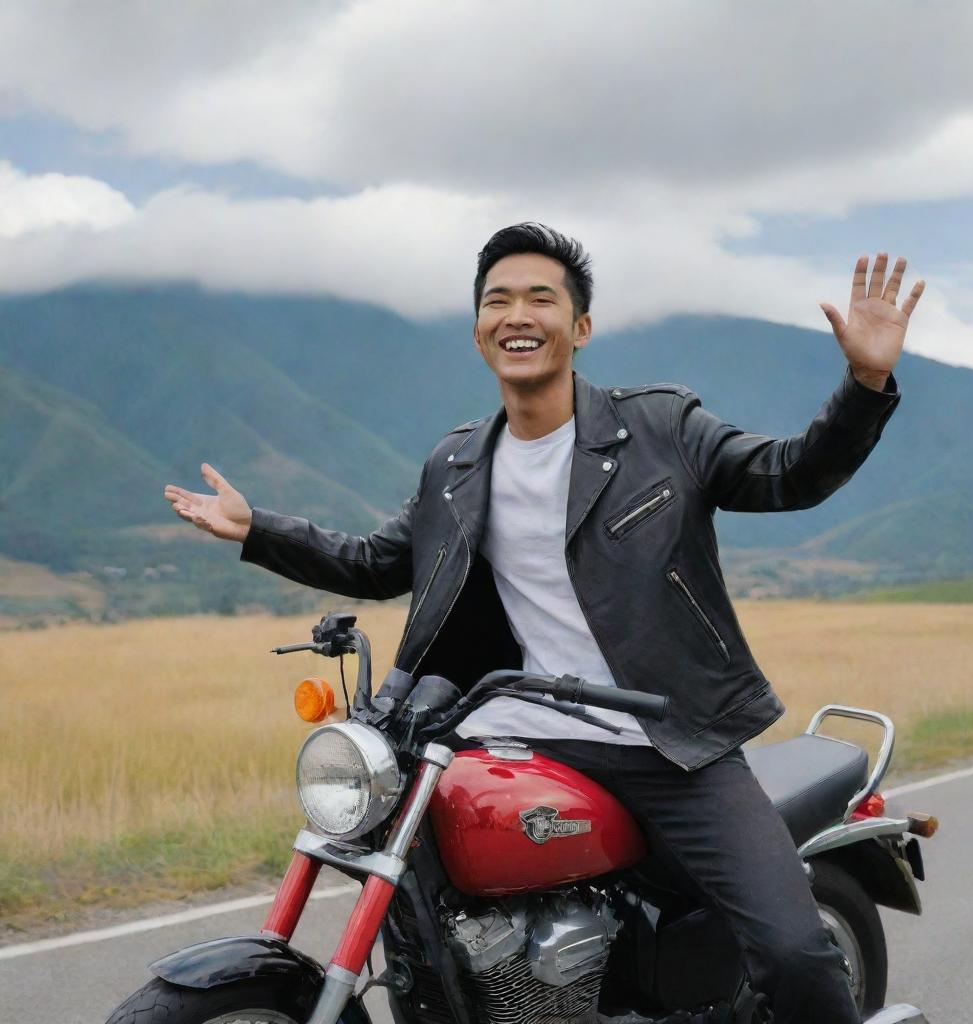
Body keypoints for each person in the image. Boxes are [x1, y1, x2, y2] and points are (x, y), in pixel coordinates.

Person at [164, 223, 925, 1023]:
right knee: (420, 893)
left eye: (540, 298)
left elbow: (788, 475)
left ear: (581, 327)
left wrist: (864, 387)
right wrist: (257, 529)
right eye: (498, 300)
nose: (517, 314)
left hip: (666, 742)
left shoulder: (661, 429)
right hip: (504, 732)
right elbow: (376, 562)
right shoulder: (457, 464)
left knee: (796, 956)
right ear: (478, 331)